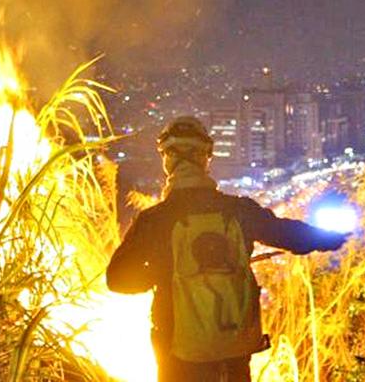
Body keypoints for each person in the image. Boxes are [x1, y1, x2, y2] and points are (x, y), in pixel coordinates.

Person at [106, 116, 349, 382]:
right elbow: (290, 235)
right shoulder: (239, 211)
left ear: (167, 160)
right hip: (233, 346)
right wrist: (332, 237)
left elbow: (118, 279)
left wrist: (165, 273)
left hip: (177, 352)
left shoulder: (155, 219)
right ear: (206, 159)